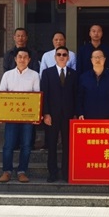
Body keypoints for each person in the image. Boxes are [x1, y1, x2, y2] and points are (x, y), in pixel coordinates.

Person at [0, 47, 40, 183]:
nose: (22, 59)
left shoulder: (34, 75)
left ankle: (22, 171)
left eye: (25, 57)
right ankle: (7, 171)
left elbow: (37, 96)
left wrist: (37, 115)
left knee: (26, 145)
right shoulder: (7, 75)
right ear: (15, 59)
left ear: (29, 59)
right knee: (8, 145)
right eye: (20, 57)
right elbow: (1, 95)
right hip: (11, 117)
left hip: (28, 117)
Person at [41, 46, 77, 182]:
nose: (62, 57)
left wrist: (75, 114)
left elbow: (76, 95)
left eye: (64, 55)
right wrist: (46, 113)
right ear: (55, 57)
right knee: (52, 144)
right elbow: (44, 94)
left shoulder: (74, 74)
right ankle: (53, 173)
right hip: (52, 115)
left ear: (68, 58)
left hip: (68, 115)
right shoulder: (47, 73)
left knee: (68, 145)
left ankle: (66, 173)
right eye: (59, 54)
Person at [77, 49, 109, 120]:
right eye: (95, 57)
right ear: (91, 60)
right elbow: (80, 97)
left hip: (108, 118)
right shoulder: (84, 77)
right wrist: (80, 113)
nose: (98, 59)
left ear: (104, 59)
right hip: (87, 118)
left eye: (100, 57)